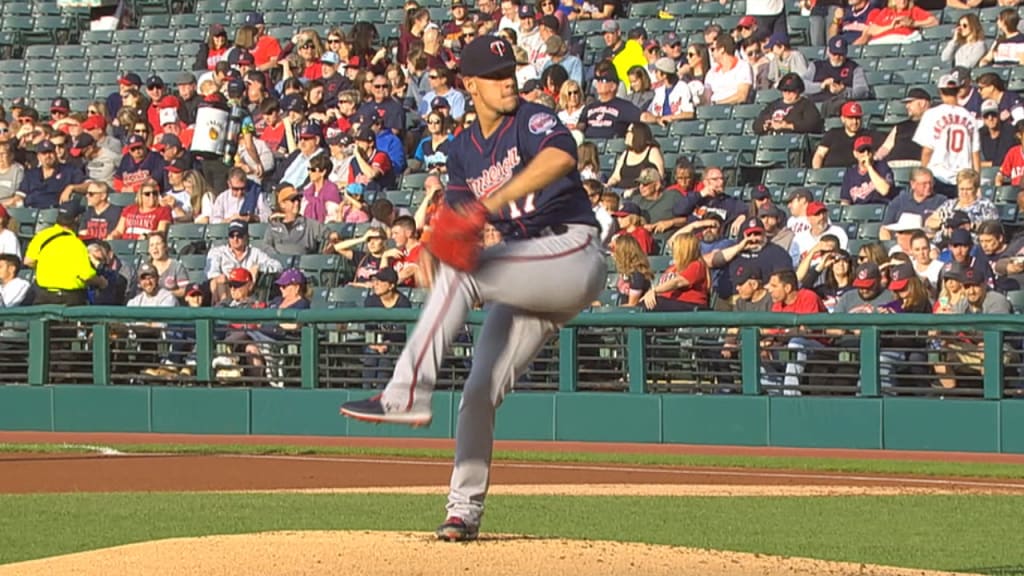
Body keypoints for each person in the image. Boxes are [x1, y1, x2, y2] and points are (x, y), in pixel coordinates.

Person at [339, 35, 606, 543]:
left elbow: (560, 159)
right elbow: (459, 217)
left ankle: (405, 395)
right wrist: (429, 249)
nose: (509, 79)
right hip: (527, 279)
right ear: (470, 86)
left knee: (467, 268)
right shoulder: (462, 150)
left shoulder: (530, 120)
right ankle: (463, 512)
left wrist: (491, 204)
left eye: (511, 69)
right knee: (478, 390)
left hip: (572, 252)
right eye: (496, 73)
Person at [24, 202, 106, 305]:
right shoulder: (76, 244)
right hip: (70, 299)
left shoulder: (42, 236)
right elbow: (86, 276)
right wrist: (101, 282)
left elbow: (29, 261)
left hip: (43, 296)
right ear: (77, 219)